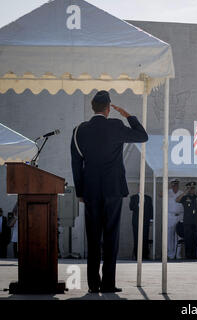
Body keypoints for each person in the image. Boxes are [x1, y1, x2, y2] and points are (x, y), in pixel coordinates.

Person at [71, 90, 148, 293]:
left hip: (90, 191)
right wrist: (128, 116)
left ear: (92, 107)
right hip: (113, 189)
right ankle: (108, 284)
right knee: (111, 236)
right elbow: (142, 136)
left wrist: (80, 191)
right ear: (108, 108)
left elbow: (76, 165)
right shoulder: (116, 125)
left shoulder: (79, 130)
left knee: (93, 237)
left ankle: (93, 285)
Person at [176, 182, 197, 259]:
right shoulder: (185, 197)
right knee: (188, 238)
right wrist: (184, 192)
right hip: (187, 221)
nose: (192, 190)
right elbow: (177, 200)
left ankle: (194, 255)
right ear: (188, 189)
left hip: (196, 221)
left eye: (193, 188)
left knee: (195, 238)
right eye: (190, 188)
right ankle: (188, 255)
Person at [129, 193, 153, 260]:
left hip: (146, 221)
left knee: (145, 237)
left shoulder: (148, 198)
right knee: (136, 238)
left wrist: (151, 220)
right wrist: (138, 205)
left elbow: (151, 208)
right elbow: (131, 207)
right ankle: (137, 255)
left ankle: (145, 255)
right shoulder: (133, 197)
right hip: (136, 221)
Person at [167, 178, 184, 259]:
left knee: (179, 235)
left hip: (180, 215)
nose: (175, 186)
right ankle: (170, 254)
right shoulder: (167, 192)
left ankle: (178, 254)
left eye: (177, 185)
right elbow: (160, 194)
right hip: (170, 216)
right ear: (171, 185)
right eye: (174, 185)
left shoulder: (182, 193)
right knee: (170, 236)